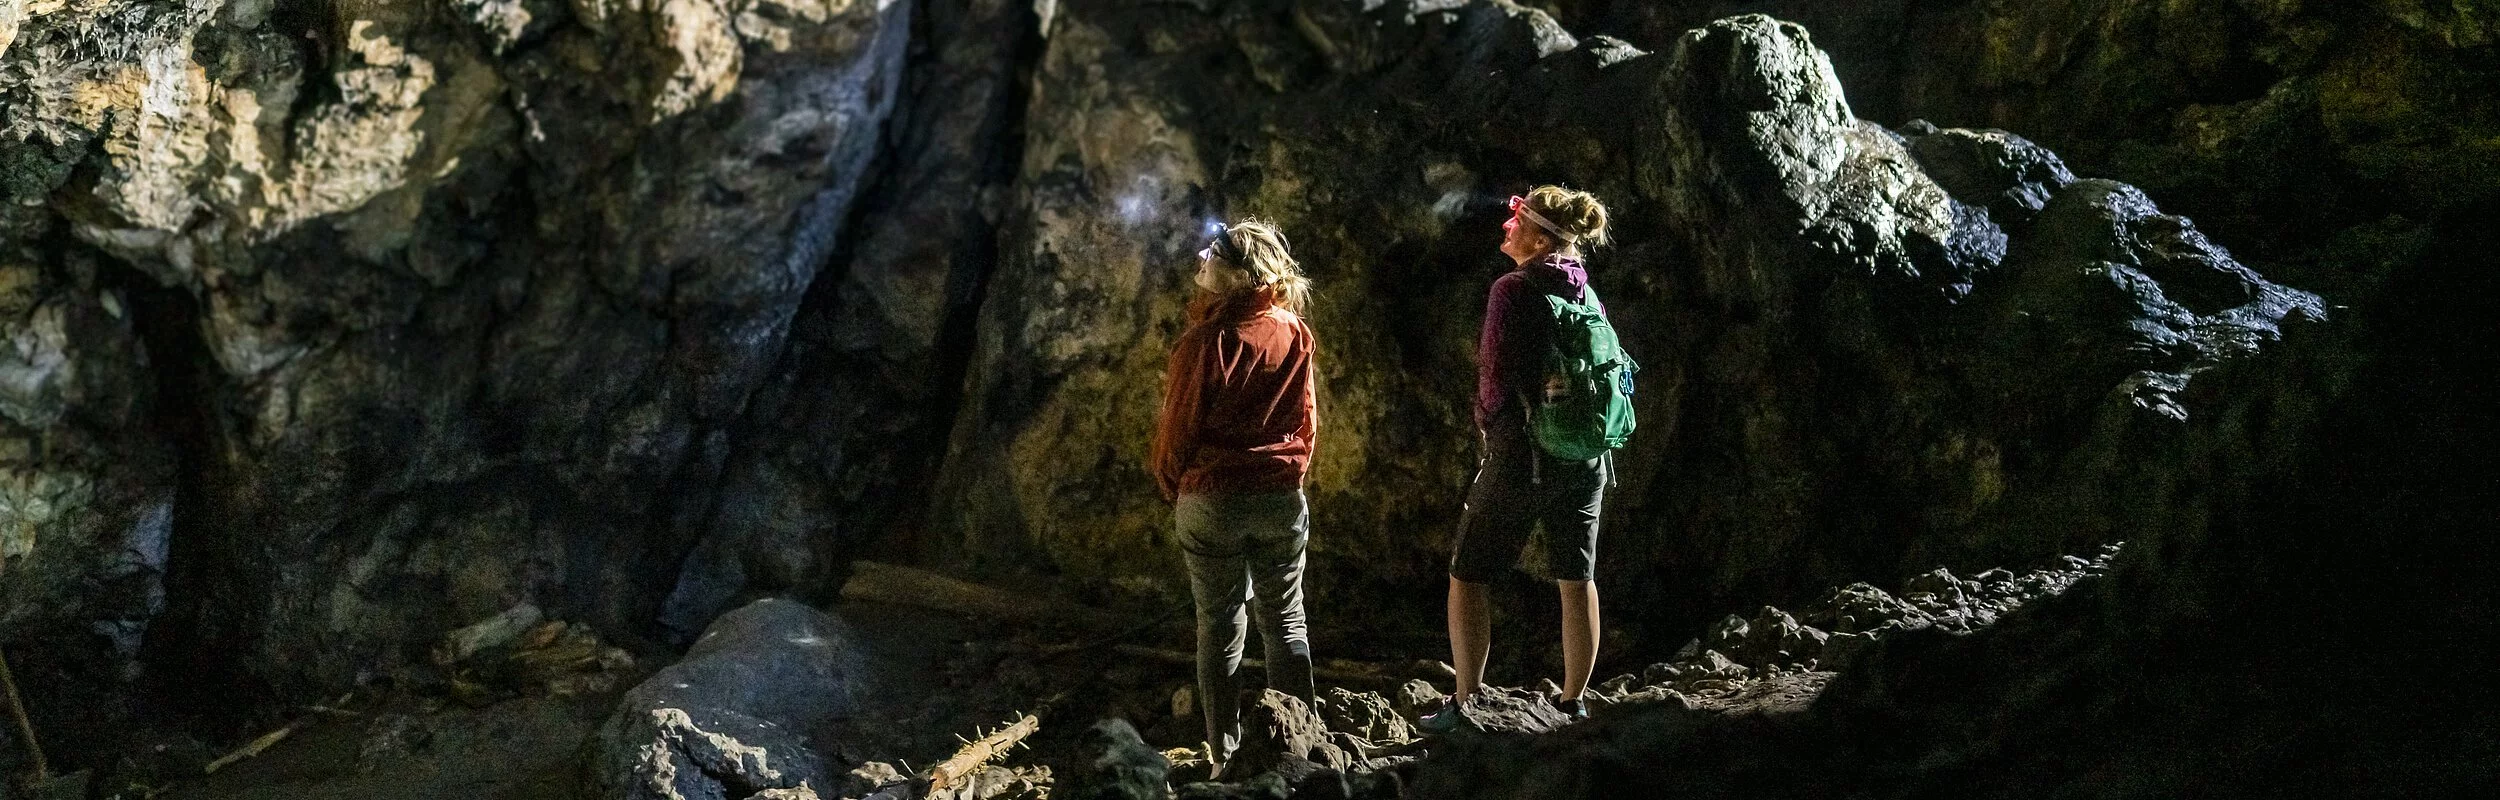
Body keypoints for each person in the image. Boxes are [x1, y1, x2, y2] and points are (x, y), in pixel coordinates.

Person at [1422, 185, 1617, 731]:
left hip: (1524, 454)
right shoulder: (1586, 293)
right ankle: (1575, 701)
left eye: (1518, 220)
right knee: (1577, 576)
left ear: (1538, 236)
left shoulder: (1511, 289)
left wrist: (1489, 423)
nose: (1507, 226)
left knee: (1469, 571)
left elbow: (1495, 374)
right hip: (1585, 455)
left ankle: (1467, 701)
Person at [1150, 218, 1320, 773]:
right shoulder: (1293, 329)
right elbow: (1307, 421)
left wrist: (1175, 485)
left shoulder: (1206, 341)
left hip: (1213, 499)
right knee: (1286, 621)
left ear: (1233, 272)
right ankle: (1299, 750)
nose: (1200, 257)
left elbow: (1178, 428)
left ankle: (1224, 756)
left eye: (1211, 253)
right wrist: (1290, 475)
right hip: (1279, 496)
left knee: (1219, 626)